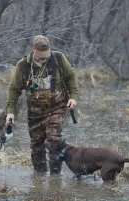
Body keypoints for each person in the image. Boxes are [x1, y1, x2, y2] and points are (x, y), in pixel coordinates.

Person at [5, 35, 79, 174]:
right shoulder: (23, 66)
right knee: (36, 146)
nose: (44, 58)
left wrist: (73, 97)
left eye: (46, 55)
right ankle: (38, 181)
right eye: (41, 55)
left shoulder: (58, 59)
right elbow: (14, 90)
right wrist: (10, 112)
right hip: (35, 113)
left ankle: (55, 180)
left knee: (54, 140)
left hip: (56, 108)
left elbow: (71, 76)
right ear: (33, 50)